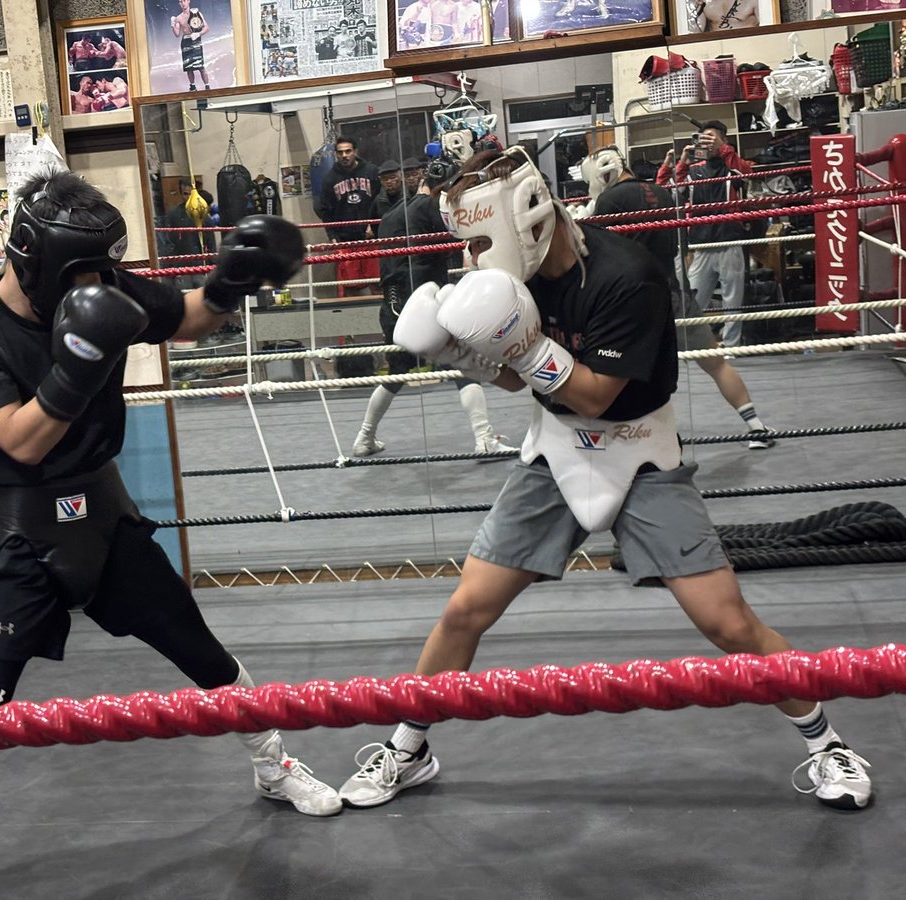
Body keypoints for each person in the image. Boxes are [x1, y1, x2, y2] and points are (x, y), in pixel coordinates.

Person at [335, 145, 872, 815]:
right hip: (555, 447)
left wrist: (525, 347)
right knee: (465, 609)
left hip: (638, 449)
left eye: (479, 239)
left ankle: (827, 744)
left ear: (526, 219)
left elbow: (593, 396)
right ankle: (408, 749)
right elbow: (513, 376)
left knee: (728, 624)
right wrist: (463, 356)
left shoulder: (627, 277)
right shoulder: (509, 274)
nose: (472, 258)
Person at [0, 170, 342, 900]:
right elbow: (21, 443)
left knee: (205, 656)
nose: (99, 283)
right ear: (33, 261)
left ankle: (272, 765)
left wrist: (231, 282)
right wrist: (80, 361)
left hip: (109, 523)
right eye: (83, 272)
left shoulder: (105, 288)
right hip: (24, 539)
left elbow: (188, 318)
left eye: (104, 268)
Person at [581, 146, 775, 449]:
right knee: (716, 363)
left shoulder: (609, 200)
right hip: (673, 291)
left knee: (613, 373)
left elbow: (595, 254)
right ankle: (756, 427)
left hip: (632, 303)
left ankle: (616, 444)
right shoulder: (661, 193)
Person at [352, 157, 512, 457]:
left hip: (393, 304)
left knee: (397, 373)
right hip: (423, 303)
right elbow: (468, 233)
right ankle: (484, 438)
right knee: (462, 364)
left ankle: (364, 437)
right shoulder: (431, 209)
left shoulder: (393, 213)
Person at [657, 121, 754, 349]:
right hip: (701, 244)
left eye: (712, 138)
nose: (707, 142)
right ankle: (692, 346)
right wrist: (675, 165)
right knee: (694, 302)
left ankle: (731, 347)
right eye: (703, 138)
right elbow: (667, 194)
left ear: (723, 140)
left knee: (733, 301)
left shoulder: (732, 165)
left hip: (730, 240)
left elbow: (748, 173)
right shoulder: (693, 170)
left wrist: (723, 148)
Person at [315, 135, 380, 296]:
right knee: (349, 285)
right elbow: (325, 210)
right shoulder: (330, 179)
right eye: (340, 152)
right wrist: (332, 236)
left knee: (377, 281)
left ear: (355, 152)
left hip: (370, 237)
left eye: (348, 151)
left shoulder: (371, 171)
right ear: (336, 154)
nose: (344, 155)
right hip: (345, 239)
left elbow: (380, 201)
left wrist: (374, 224)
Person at [171, 0, 210, 92]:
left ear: (188, 1)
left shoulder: (196, 13)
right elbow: (177, 34)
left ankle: (207, 87)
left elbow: (207, 28)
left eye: (184, 1)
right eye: (180, 2)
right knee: (189, 67)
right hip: (186, 42)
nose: (182, 3)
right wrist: (172, 25)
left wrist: (198, 34)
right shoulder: (179, 18)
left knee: (201, 66)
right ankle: (192, 86)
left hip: (196, 40)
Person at [691, 0, 760, 31]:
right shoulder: (704, 3)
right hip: (717, 47)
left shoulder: (752, 1)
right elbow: (696, 33)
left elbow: (766, 25)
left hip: (748, 44)